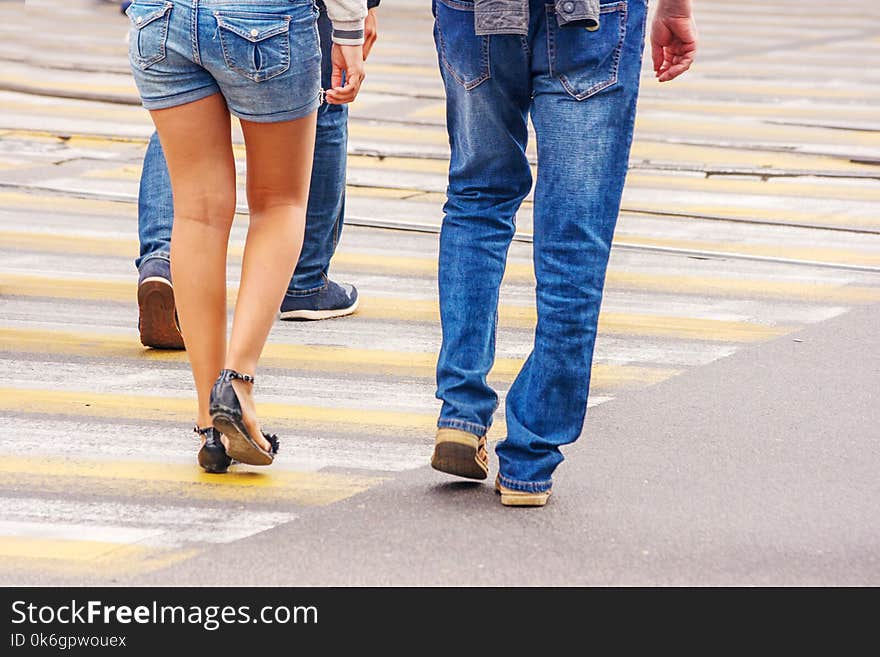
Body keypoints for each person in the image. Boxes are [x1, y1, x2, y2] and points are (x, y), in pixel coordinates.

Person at [429, 0, 697, 505]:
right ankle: (530, 457)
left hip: (474, 10)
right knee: (574, 234)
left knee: (478, 197)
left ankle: (461, 409)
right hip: (592, 15)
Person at [126, 0, 367, 470]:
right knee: (280, 202)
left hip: (161, 17)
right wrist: (349, 28)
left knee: (196, 213)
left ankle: (208, 424)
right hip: (263, 19)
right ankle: (237, 382)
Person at [135, 2, 381, 351]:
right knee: (286, 186)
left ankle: (163, 258)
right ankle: (302, 283)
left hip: (163, 14)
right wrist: (354, 21)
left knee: (193, 185)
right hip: (264, 16)